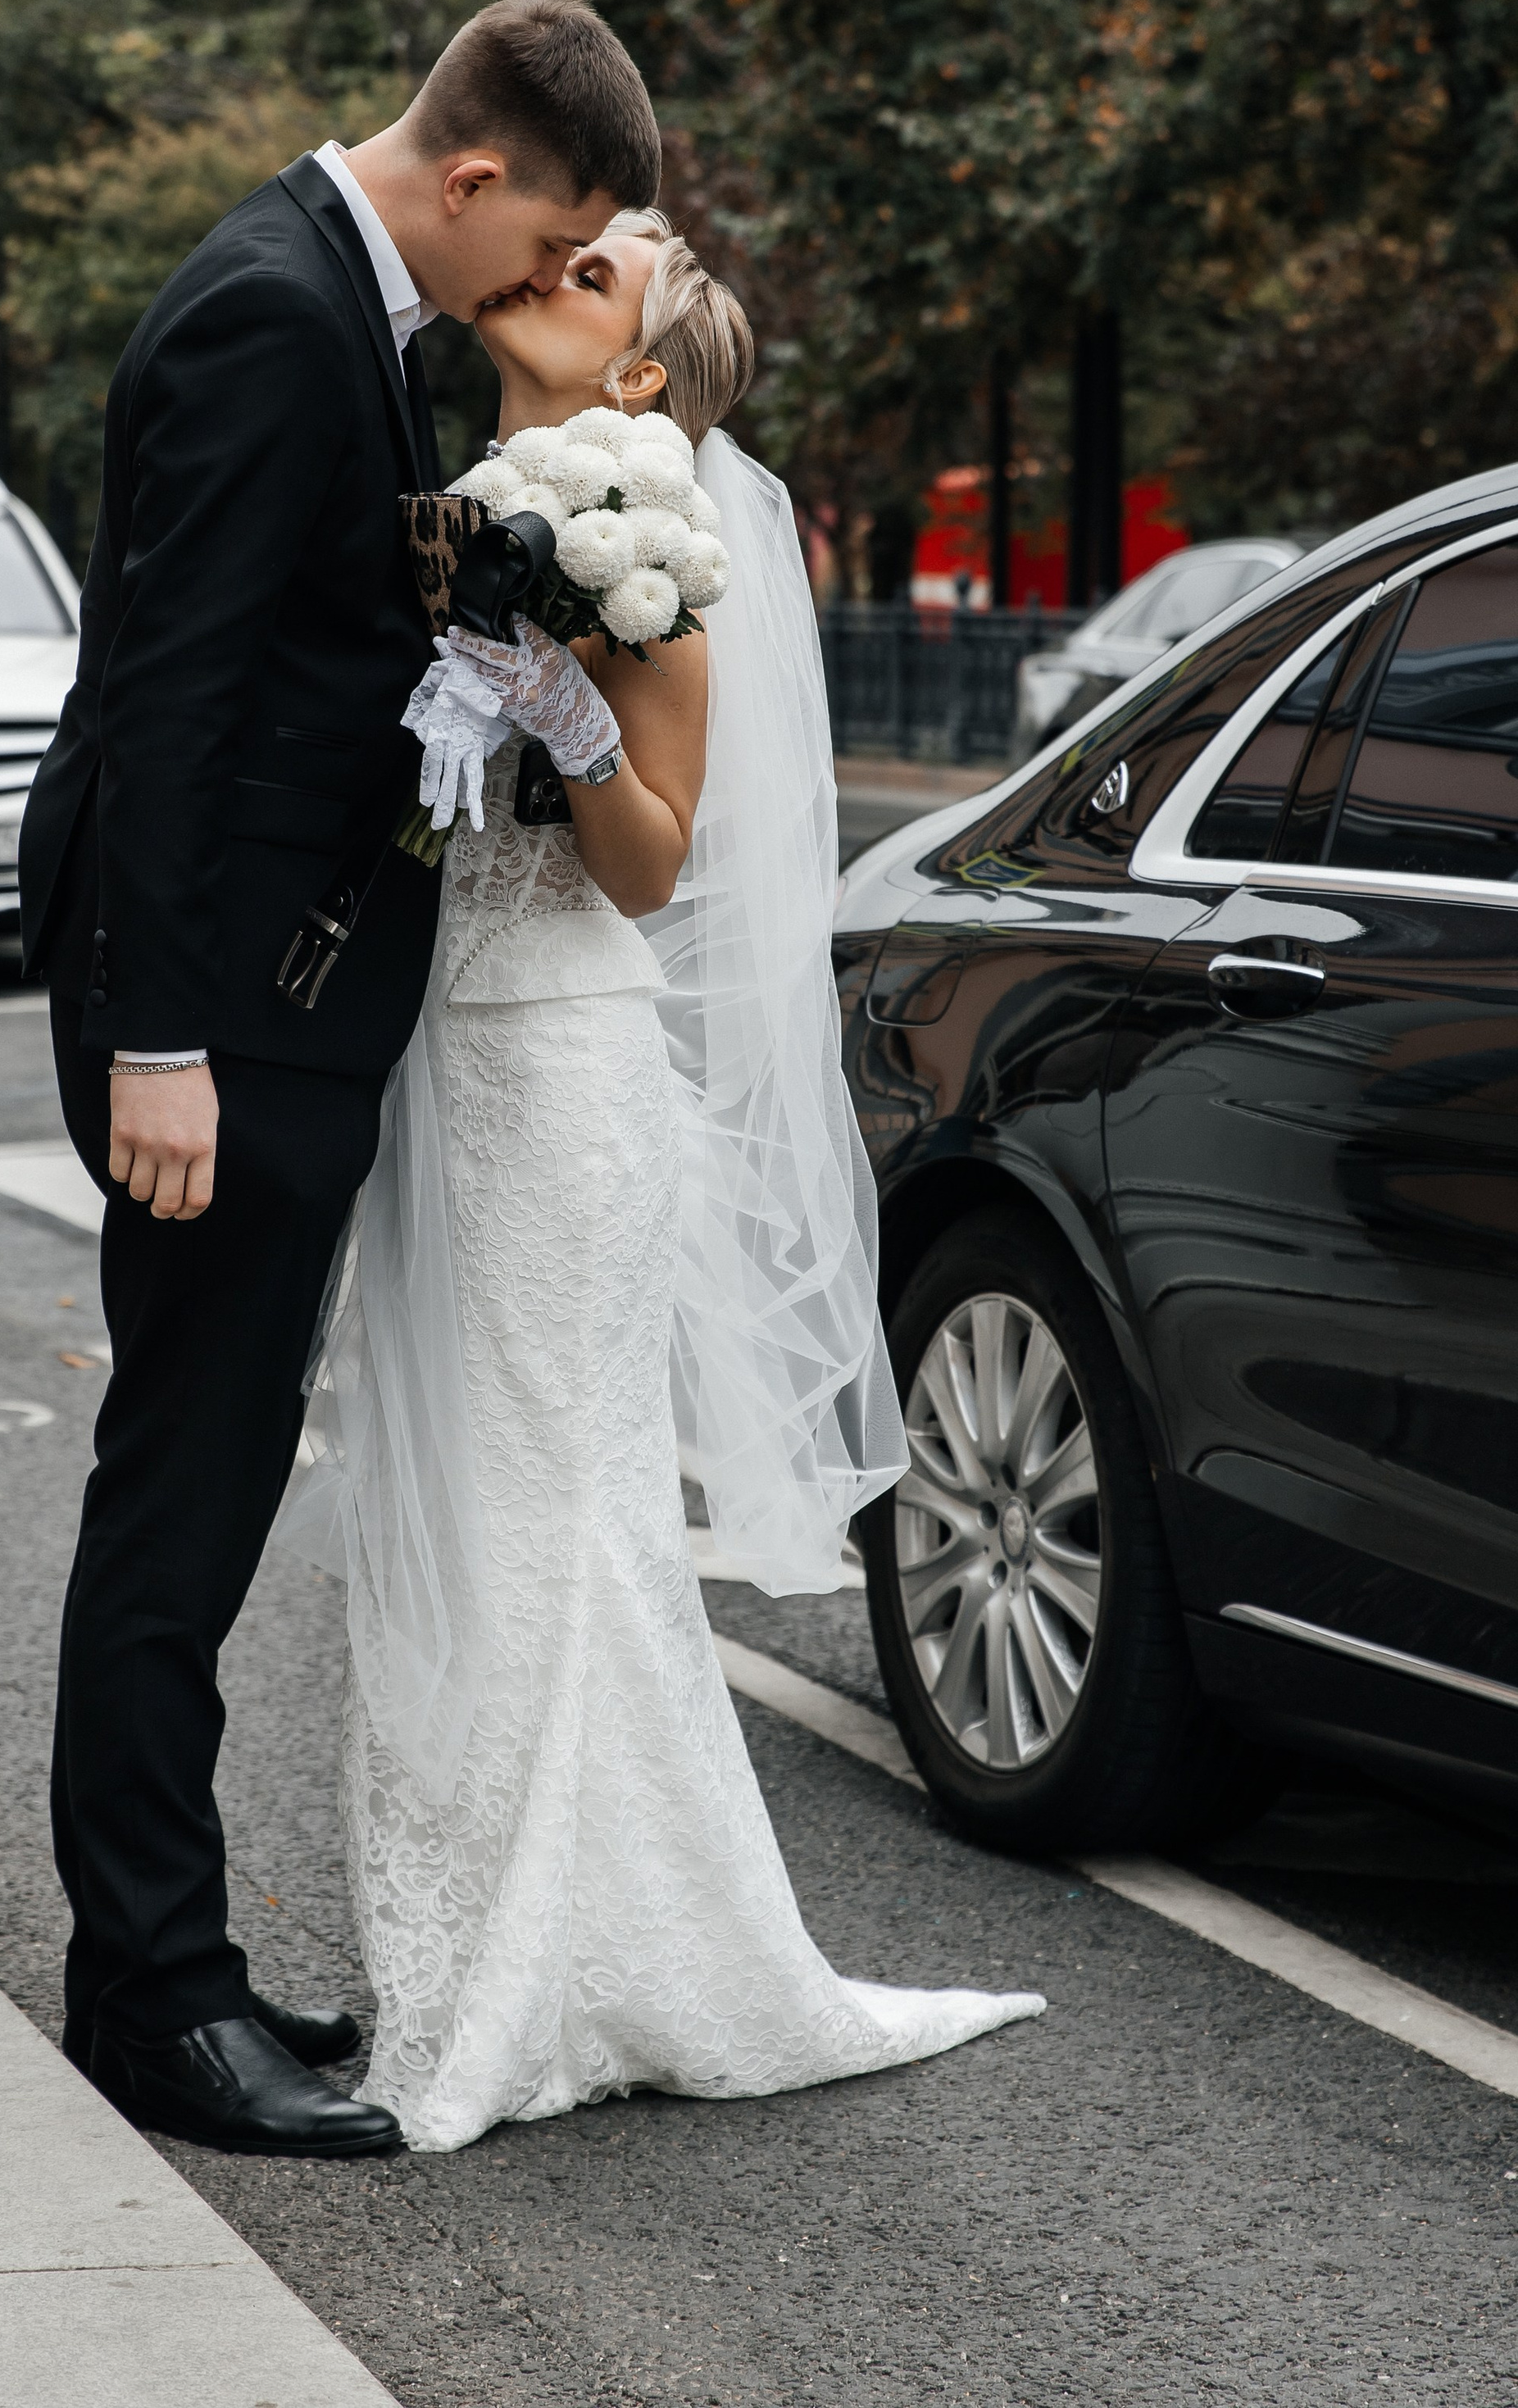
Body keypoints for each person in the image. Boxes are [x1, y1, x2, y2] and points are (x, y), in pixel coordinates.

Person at [279, 217, 1044, 2154]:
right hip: (437, 1064)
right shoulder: (457, 501)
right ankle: (471, 1956)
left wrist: (562, 712)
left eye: (592, 267)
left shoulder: (656, 533)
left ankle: (529, 1977)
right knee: (444, 1496)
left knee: (557, 1504)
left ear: (632, 370)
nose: (547, 263)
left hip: (562, 1075)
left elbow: (644, 862)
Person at [18, 0, 664, 2159]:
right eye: (537, 239)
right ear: (474, 175)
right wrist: (161, 1037)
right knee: (180, 1487)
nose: (525, 291)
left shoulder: (339, 308)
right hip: (229, 1009)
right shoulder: (269, 313)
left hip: (294, 992)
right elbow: (168, 704)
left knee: (204, 1477)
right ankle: (155, 1996)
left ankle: (170, 1954)